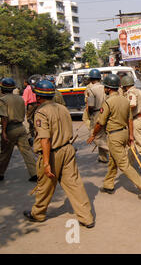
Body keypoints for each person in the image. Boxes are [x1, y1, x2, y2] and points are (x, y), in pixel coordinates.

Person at [23, 80, 95, 228]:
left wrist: (46, 163)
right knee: (74, 184)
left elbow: (45, 139)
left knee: (45, 186)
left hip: (52, 153)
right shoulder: (63, 108)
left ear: (38, 97)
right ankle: (87, 217)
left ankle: (38, 214)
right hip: (67, 149)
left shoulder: (41, 112)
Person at [87, 74, 141, 199]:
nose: (104, 88)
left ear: (108, 88)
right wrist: (130, 135)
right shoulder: (124, 99)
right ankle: (108, 185)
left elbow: (100, 122)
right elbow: (129, 119)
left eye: (105, 86)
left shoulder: (108, 102)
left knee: (123, 164)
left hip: (114, 135)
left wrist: (93, 134)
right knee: (113, 160)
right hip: (124, 133)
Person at [0, 78, 37, 182]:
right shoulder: (20, 98)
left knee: (5, 152)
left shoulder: (3, 100)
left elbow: (4, 117)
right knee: (27, 151)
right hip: (21, 127)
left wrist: (3, 132)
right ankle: (34, 173)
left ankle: (0, 173)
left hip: (10, 128)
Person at [84, 69, 109, 163]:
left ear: (91, 79)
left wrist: (90, 114)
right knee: (102, 135)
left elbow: (90, 105)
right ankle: (103, 157)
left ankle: (112, 152)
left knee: (94, 136)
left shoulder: (91, 89)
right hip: (106, 112)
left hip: (96, 113)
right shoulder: (105, 87)